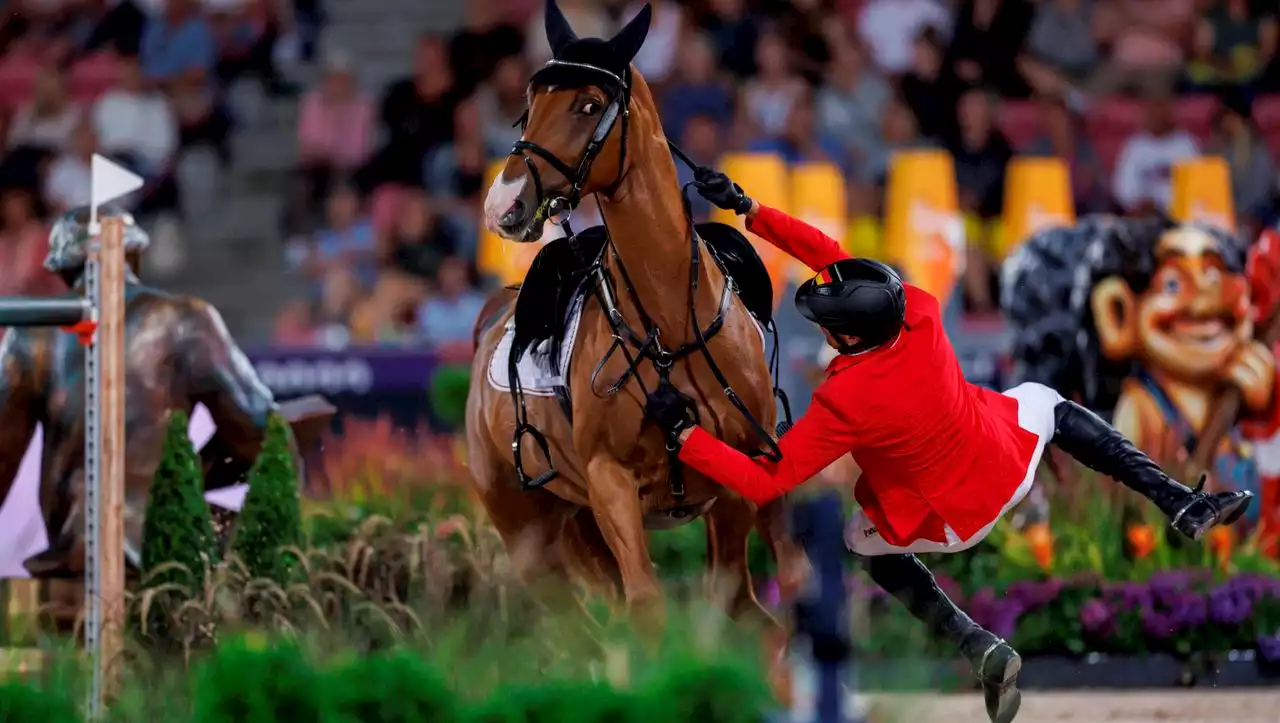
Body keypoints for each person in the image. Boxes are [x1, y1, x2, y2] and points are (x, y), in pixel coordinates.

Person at [643, 168, 1255, 723]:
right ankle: (1179, 500)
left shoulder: (844, 401)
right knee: (1047, 401)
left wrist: (685, 435)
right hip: (1006, 463)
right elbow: (836, 260)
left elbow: (761, 481)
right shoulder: (919, 310)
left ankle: (974, 643)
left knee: (853, 538)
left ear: (847, 334)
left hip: (947, 522)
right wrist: (750, 208)